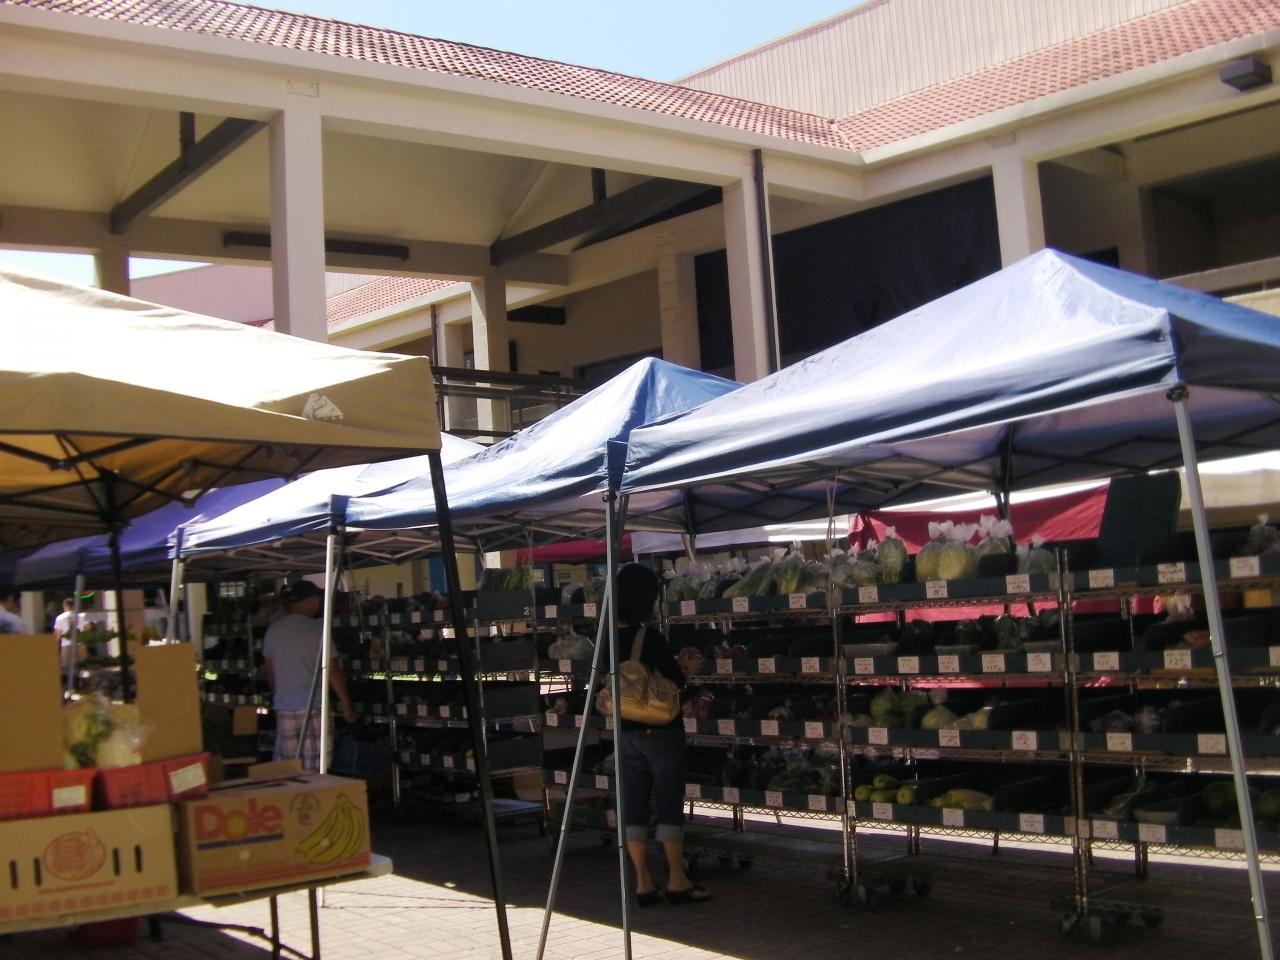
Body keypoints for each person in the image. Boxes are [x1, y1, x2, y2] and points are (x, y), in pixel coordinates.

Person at [613, 562, 709, 905]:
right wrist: (687, 668)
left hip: (625, 730)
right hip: (661, 731)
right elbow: (674, 682)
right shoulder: (648, 637)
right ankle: (677, 879)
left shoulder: (606, 637)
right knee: (668, 801)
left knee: (633, 804)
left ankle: (642, 881)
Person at [261, 580, 357, 771]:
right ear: (310, 601)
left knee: (287, 767)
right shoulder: (318, 631)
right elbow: (332, 670)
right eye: (316, 599)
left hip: (284, 707)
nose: (318, 604)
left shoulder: (274, 631)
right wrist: (347, 706)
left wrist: (280, 695)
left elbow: (270, 672)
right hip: (313, 707)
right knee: (315, 767)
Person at [53, 597, 89, 672]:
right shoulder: (82, 616)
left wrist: (56, 647)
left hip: (67, 645)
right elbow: (87, 628)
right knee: (82, 667)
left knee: (66, 669)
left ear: (64, 606)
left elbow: (58, 634)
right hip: (80, 643)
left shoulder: (60, 618)